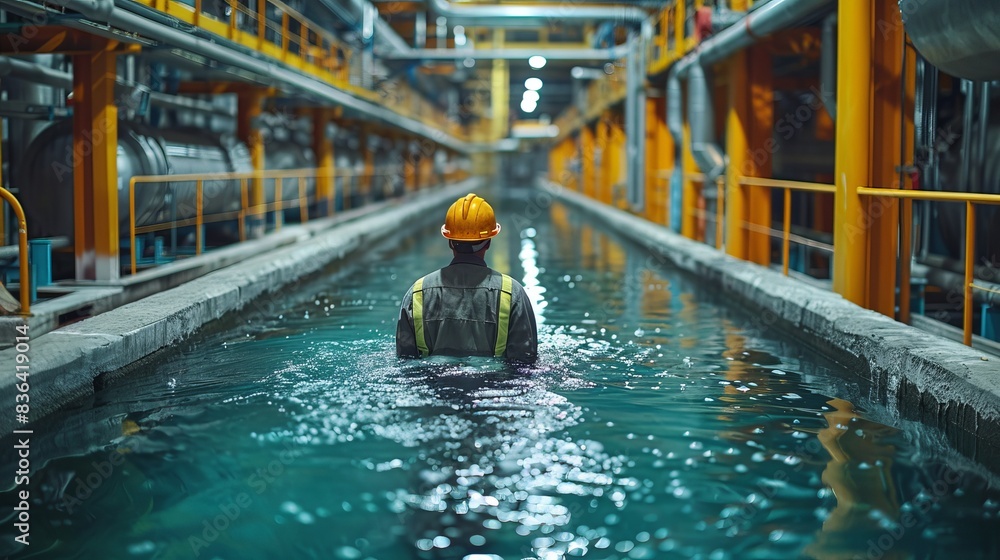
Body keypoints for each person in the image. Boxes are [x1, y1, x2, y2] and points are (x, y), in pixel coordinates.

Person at [396, 193, 538, 364]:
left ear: (449, 241)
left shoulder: (417, 293)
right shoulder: (512, 293)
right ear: (488, 242)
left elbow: (405, 362)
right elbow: (525, 363)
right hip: (492, 388)